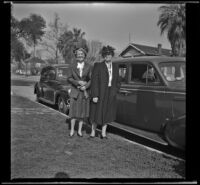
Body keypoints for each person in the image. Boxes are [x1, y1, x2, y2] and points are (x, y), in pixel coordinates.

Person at [89, 45, 121, 139]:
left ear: (112, 55)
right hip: (100, 93)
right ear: (103, 55)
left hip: (110, 93)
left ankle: (103, 134)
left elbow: (118, 81)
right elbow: (94, 81)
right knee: (96, 112)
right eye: (106, 54)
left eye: (110, 54)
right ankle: (93, 132)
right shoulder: (98, 65)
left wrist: (115, 90)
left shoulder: (115, 66)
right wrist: (94, 95)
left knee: (107, 113)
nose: (108, 56)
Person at [67, 46, 92, 137]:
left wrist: (85, 86)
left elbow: (91, 79)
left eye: (82, 54)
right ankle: (72, 130)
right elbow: (69, 78)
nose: (80, 55)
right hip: (75, 92)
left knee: (81, 113)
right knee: (73, 113)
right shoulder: (72, 66)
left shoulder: (89, 66)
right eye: (78, 54)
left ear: (84, 55)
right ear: (76, 56)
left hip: (84, 92)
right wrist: (78, 82)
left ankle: (80, 131)